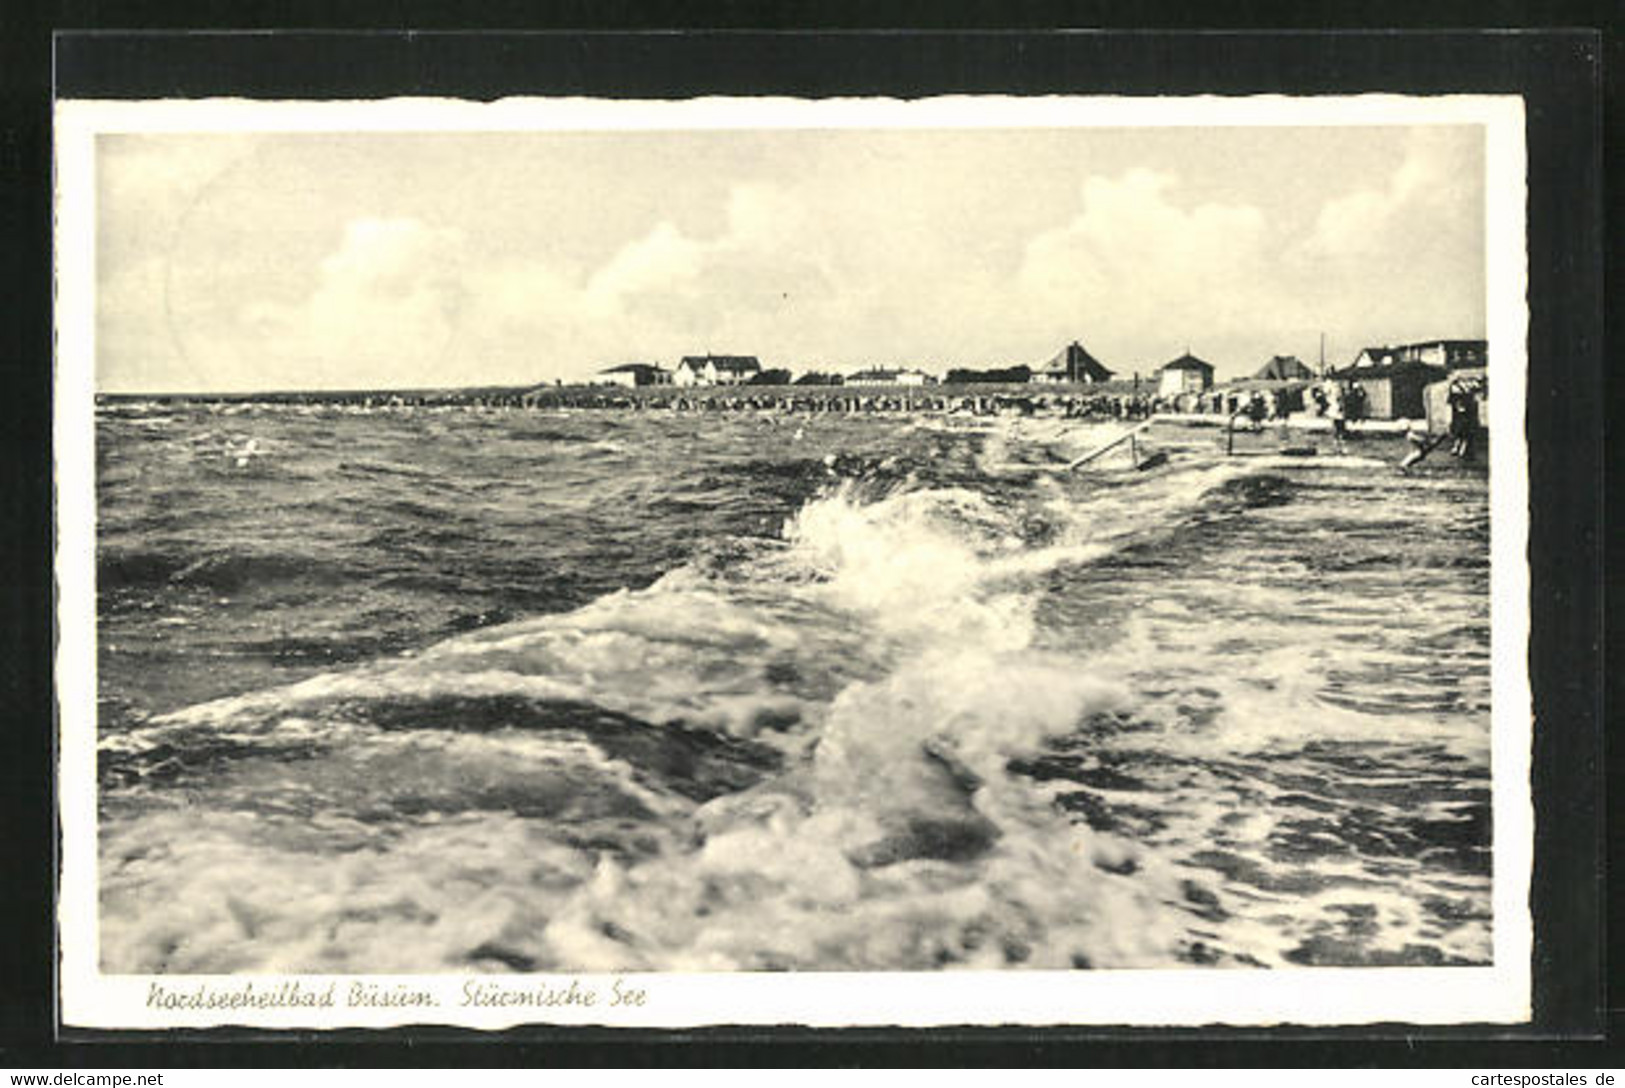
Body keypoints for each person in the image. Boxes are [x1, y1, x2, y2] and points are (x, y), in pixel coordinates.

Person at [1447, 378, 1481, 459]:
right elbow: (1453, 404)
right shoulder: (1457, 394)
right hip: (1459, 417)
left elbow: (1471, 404)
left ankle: (1461, 450)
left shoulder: (1469, 395)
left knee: (1465, 433)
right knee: (1459, 433)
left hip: (1467, 416)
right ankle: (1457, 448)